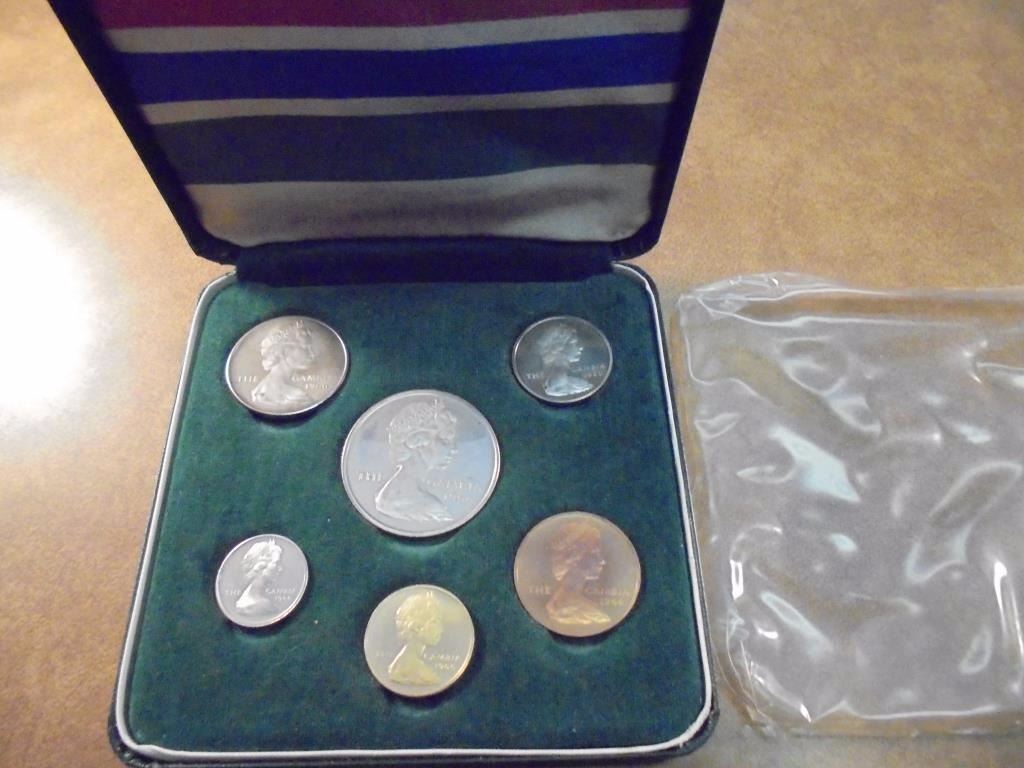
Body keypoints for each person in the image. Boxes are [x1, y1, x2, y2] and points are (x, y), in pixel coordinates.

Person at [374, 399, 457, 522]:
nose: (454, 449)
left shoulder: (387, 496)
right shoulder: (431, 507)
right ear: (417, 441)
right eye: (445, 440)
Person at [545, 520, 611, 626]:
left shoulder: (590, 610)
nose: (602, 561)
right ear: (575, 558)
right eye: (594, 552)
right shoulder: (594, 616)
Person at [251, 319, 316, 407]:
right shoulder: (297, 397)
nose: (312, 354)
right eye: (305, 347)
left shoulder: (261, 389)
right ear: (285, 351)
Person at [388, 591, 444, 685]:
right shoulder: (418, 672)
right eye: (435, 622)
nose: (441, 629)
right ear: (417, 626)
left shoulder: (403, 662)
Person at [536, 324, 592, 397]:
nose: (581, 347)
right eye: (573, 343)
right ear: (559, 348)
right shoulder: (576, 384)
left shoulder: (577, 381)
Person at [235, 538, 283, 615]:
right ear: (261, 565)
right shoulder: (256, 605)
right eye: (276, 563)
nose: (280, 569)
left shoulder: (264, 601)